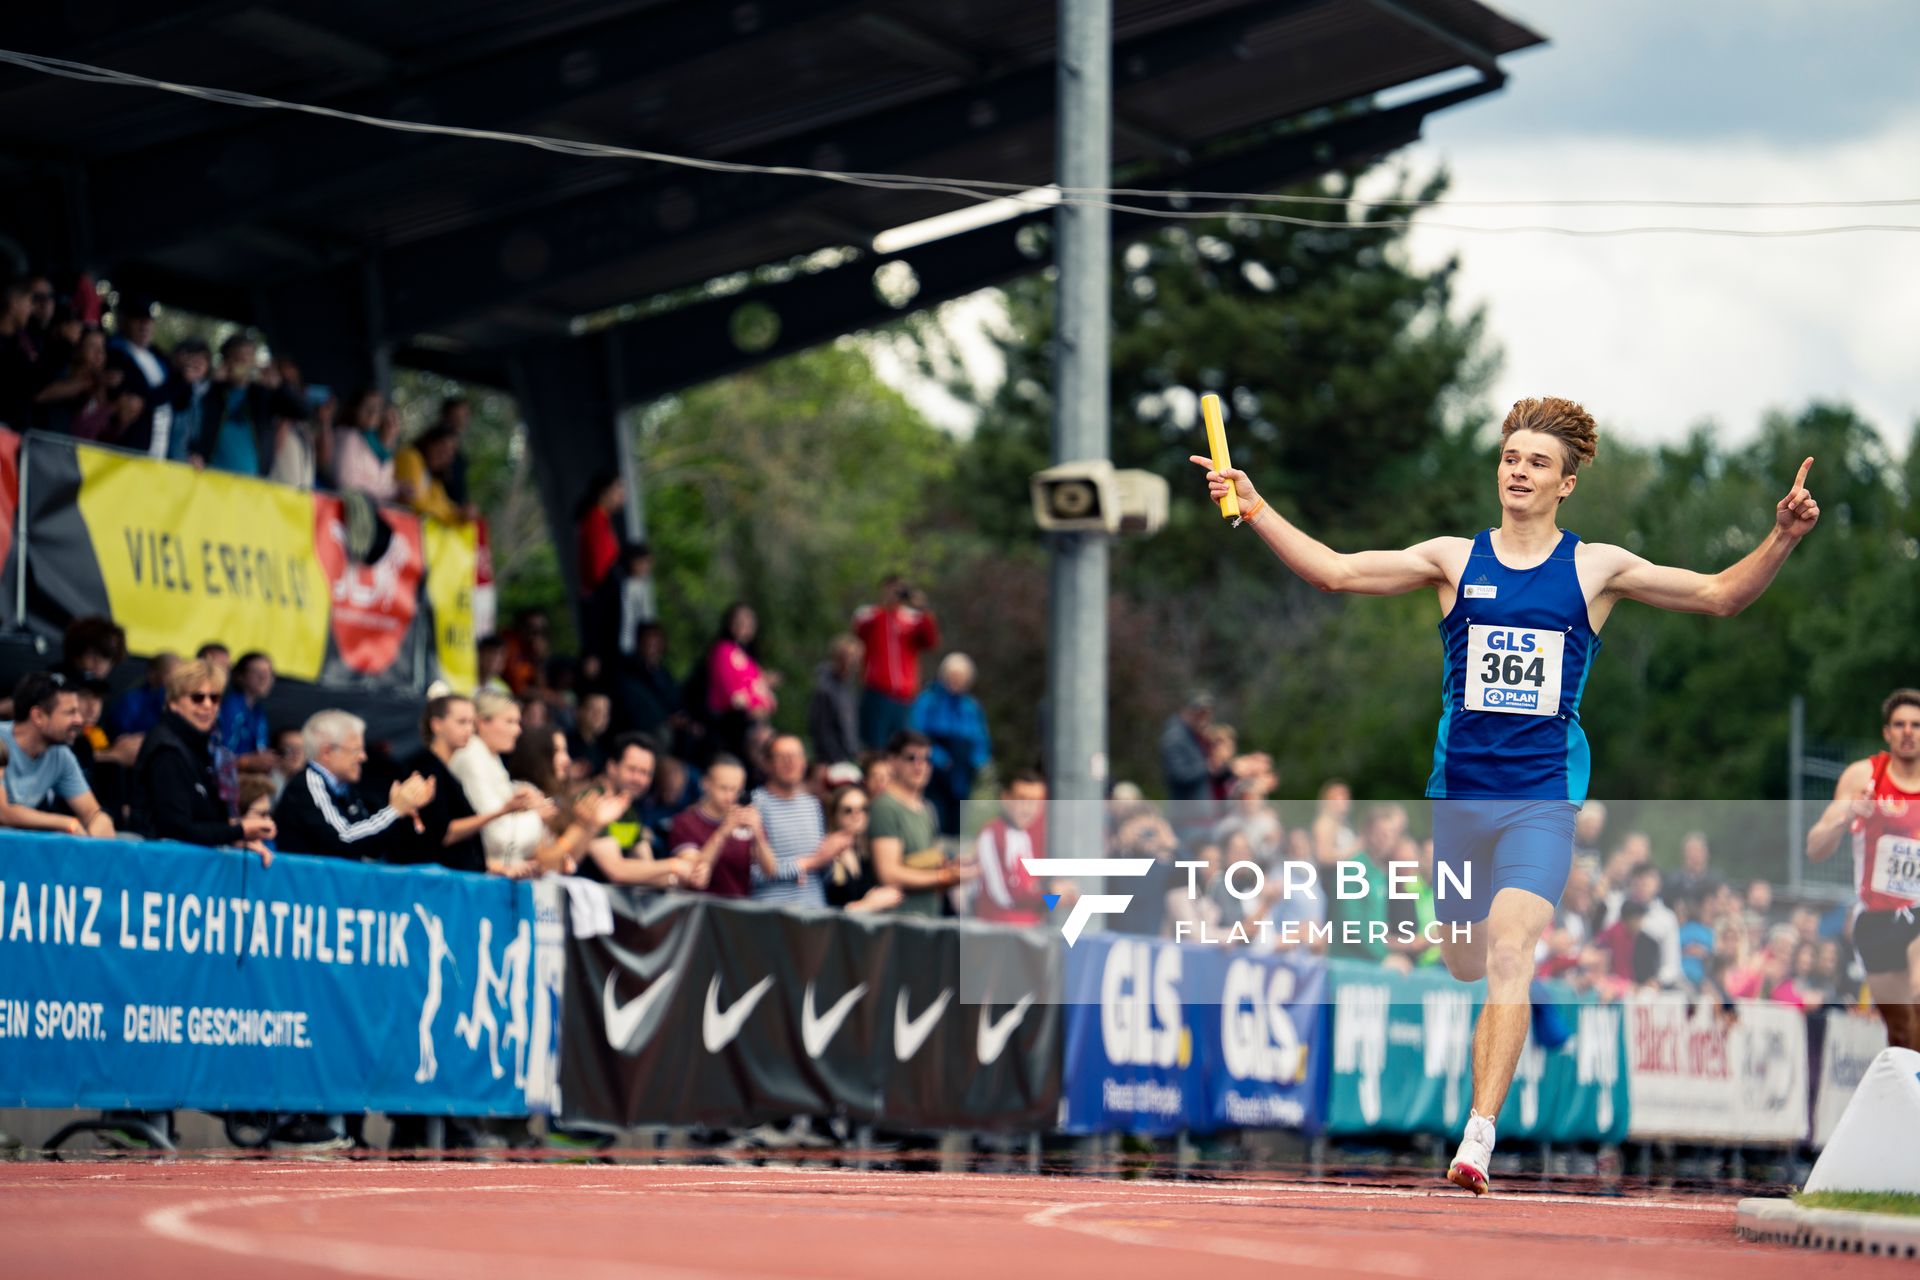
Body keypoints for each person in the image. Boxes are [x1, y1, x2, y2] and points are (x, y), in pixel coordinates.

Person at [1193, 394, 1821, 1196]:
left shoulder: (1596, 569)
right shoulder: (1455, 559)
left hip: (1541, 799)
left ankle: (1478, 1136)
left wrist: (1782, 538)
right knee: (1462, 958)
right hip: (1460, 800)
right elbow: (1337, 572)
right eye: (1511, 458)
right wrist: (1257, 504)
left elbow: (1718, 595)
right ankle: (1494, 1040)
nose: (1519, 472)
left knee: (1509, 951)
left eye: (1537, 463)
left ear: (1566, 484)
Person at [1807, 688, 1920, 1050]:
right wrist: (1849, 815)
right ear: (1887, 733)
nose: (1908, 731)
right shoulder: (1863, 778)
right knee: (1902, 1032)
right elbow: (1815, 848)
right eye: (1899, 724)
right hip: (1877, 919)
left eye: (1916, 725)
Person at [130, 659, 274, 859]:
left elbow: (207, 821)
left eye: (214, 698)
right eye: (197, 698)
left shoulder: (204, 746)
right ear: (174, 703)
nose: (207, 705)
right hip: (158, 869)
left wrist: (237, 839)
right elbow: (176, 828)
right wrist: (240, 830)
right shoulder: (167, 749)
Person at [399, 694, 543, 874]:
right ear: (437, 725)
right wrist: (503, 810)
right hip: (430, 880)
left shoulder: (447, 771)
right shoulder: (425, 769)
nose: (469, 730)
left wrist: (496, 867)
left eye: (471, 723)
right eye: (461, 722)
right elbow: (442, 833)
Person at [272, 710, 433, 861]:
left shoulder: (346, 789)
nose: (363, 757)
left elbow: (371, 847)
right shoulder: (309, 782)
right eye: (356, 750)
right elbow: (345, 838)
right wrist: (394, 810)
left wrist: (400, 812)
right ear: (327, 752)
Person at [0, 673, 116, 837]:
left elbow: (93, 814)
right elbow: (3, 813)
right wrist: (67, 823)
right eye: (70, 712)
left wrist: (98, 832)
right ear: (38, 716)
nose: (79, 720)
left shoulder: (61, 756)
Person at [447, 689, 548, 872]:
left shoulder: (490, 758)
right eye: (510, 722)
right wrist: (535, 816)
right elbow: (496, 836)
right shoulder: (471, 756)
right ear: (482, 722)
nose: (518, 730)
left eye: (518, 722)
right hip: (477, 871)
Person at [749, 734, 843, 907]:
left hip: (814, 909)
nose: (790, 762)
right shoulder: (754, 805)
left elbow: (821, 870)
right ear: (767, 764)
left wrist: (833, 856)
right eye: (782, 757)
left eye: (796, 756)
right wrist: (804, 866)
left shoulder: (813, 805)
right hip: (772, 911)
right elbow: (751, 873)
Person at [667, 755, 777, 899]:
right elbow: (693, 873)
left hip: (737, 912)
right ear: (705, 783)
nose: (730, 796)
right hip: (698, 912)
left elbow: (770, 870)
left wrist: (758, 833)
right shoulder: (685, 822)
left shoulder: (745, 821)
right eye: (723, 788)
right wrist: (723, 832)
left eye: (736, 790)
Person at [909, 652, 992, 838]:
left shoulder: (971, 706)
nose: (956, 681)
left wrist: (978, 762)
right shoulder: (928, 700)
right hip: (936, 771)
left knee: (959, 821)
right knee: (936, 816)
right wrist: (936, 757)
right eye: (952, 676)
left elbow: (981, 739)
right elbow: (917, 734)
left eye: (961, 678)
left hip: (962, 773)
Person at [853, 574, 939, 751]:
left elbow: (930, 641)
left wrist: (923, 608)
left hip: (905, 695)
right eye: (891, 589)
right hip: (878, 692)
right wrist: (885, 607)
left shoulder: (912, 618)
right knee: (875, 746)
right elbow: (859, 630)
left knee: (902, 747)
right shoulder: (870, 614)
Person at [973, 770, 1051, 925]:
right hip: (999, 937)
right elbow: (1006, 897)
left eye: (1036, 802)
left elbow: (1028, 891)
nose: (1028, 809)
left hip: (1025, 936)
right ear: (1006, 798)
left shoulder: (1025, 837)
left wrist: (1054, 897)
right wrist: (1053, 897)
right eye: (1022, 799)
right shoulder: (992, 834)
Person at [216, 652, 277, 775]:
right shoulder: (232, 707)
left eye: (269, 672)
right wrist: (248, 762)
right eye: (257, 672)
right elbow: (220, 755)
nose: (264, 677)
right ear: (240, 676)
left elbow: (260, 748)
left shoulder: (258, 711)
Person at [806, 634, 863, 768]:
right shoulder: (824, 688)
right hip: (831, 760)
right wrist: (836, 759)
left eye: (855, 657)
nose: (852, 662)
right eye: (848, 656)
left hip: (847, 756)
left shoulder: (848, 686)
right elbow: (821, 729)